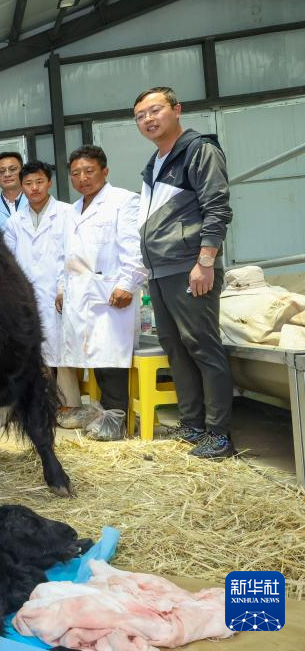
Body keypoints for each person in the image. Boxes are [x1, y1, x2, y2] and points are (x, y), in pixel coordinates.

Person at [134, 87, 234, 459]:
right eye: (140, 115)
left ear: (177, 109)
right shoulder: (155, 163)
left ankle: (219, 435)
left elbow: (217, 207)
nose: (148, 119)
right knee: (176, 349)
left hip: (189, 266)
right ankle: (193, 426)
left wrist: (205, 261)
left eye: (155, 110)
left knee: (203, 347)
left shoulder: (198, 150)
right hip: (161, 271)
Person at [57, 145, 145, 430]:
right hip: (80, 293)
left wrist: (128, 284)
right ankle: (102, 415)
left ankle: (115, 422)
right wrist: (62, 288)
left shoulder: (124, 201)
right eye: (76, 173)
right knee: (93, 357)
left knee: (111, 359)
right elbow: (66, 256)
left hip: (110, 292)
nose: (82, 178)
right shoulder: (72, 211)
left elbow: (134, 247)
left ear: (104, 171)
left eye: (89, 171)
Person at [2, 161, 75, 415]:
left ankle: (68, 406)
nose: (34, 188)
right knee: (34, 353)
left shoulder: (67, 213)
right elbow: (8, 262)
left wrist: (64, 287)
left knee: (62, 353)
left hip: (59, 292)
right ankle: (39, 407)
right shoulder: (14, 222)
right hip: (27, 297)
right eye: (29, 183)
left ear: (49, 183)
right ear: (21, 186)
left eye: (39, 182)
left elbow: (71, 255)